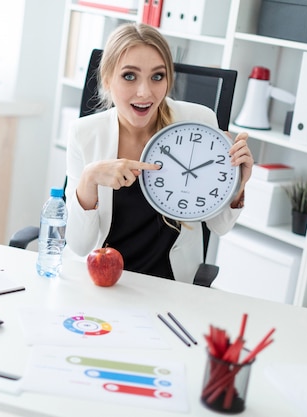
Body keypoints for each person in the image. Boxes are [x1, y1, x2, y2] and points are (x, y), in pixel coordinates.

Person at [64, 23, 253, 284]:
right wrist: (89, 178)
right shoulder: (84, 134)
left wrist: (239, 182)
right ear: (107, 79)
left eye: (157, 76)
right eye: (129, 76)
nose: (145, 92)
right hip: (103, 282)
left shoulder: (198, 122)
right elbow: (79, 245)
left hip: (170, 283)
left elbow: (219, 225)